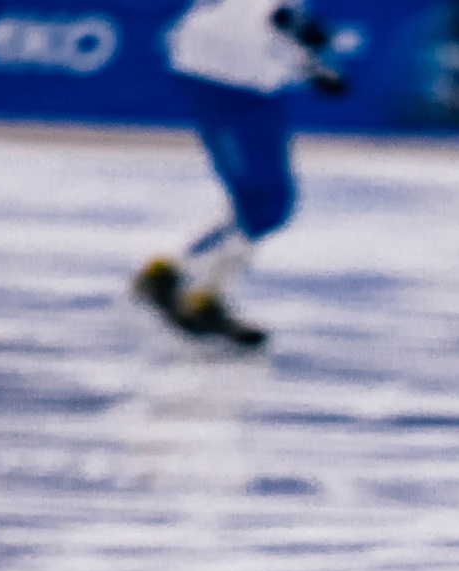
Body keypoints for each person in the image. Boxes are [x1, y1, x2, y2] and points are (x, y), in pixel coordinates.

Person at [133, 0, 350, 348]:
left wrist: (310, 63)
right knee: (267, 202)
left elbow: (274, 17)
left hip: (234, 71)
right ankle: (186, 282)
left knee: (259, 201)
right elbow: (275, 15)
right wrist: (304, 41)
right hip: (228, 74)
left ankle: (189, 282)